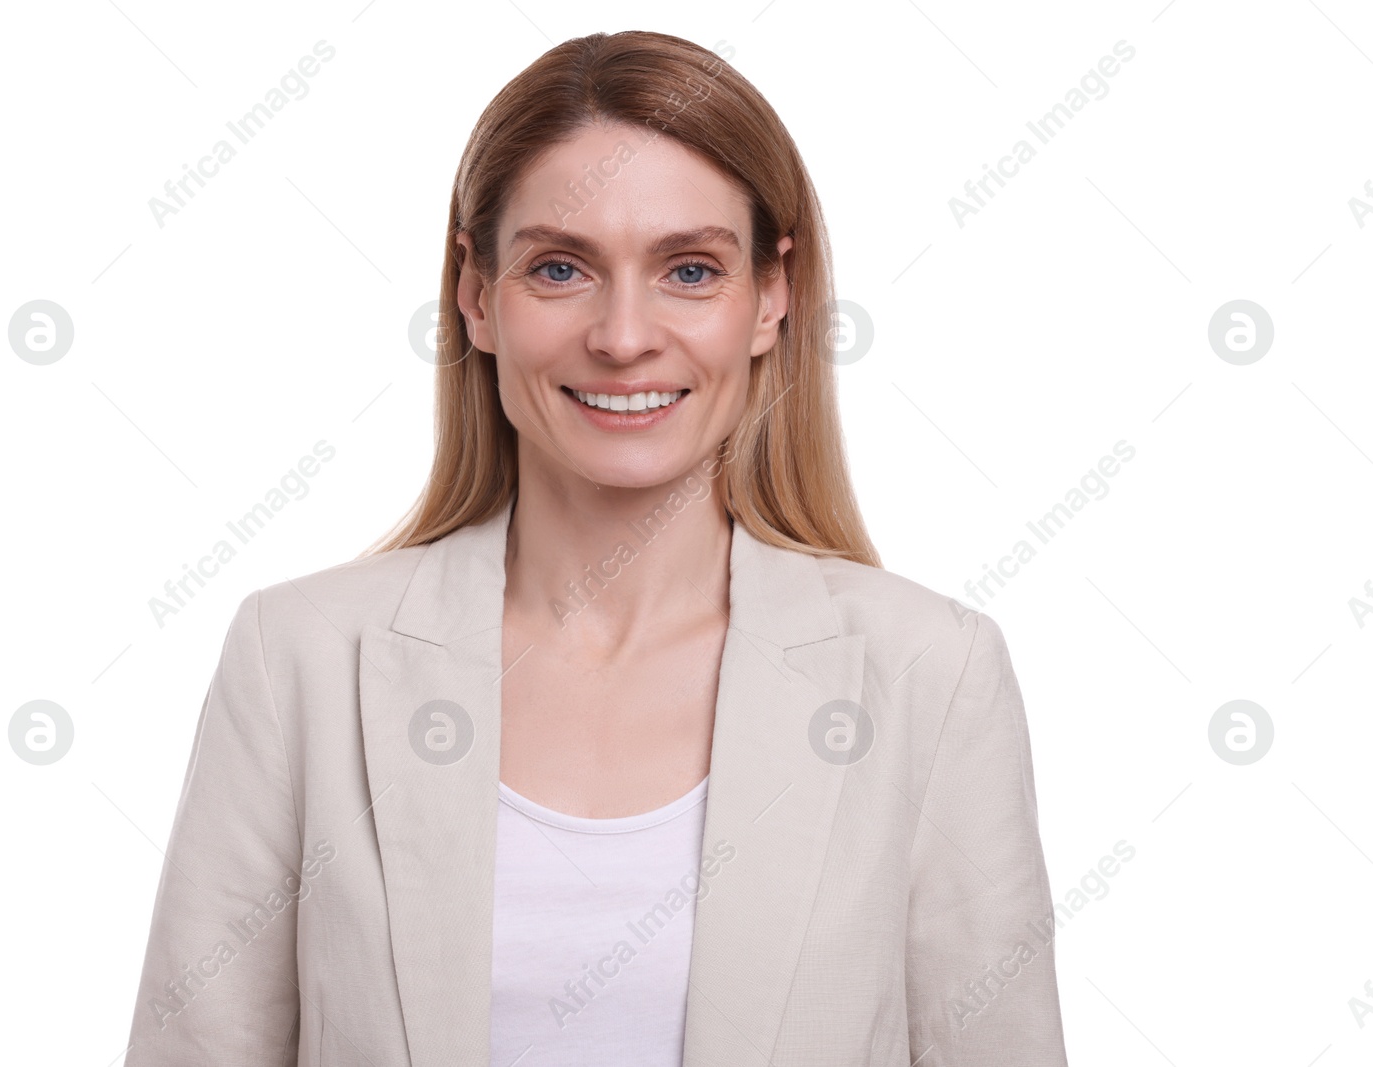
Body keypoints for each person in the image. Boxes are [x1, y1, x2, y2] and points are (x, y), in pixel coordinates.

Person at [124, 29, 1068, 1066]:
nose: (623, 336)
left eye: (691, 269)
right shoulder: (296, 657)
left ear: (771, 296)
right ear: (476, 295)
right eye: (561, 267)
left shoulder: (930, 674)